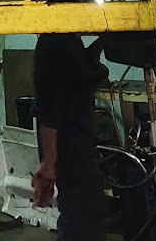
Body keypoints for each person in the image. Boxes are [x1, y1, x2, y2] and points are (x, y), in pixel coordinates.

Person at [30, 32, 108, 240]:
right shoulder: (54, 43)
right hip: (72, 148)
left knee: (89, 216)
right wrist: (48, 164)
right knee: (79, 221)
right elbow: (49, 113)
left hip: (81, 146)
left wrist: (106, 39)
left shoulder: (63, 40)